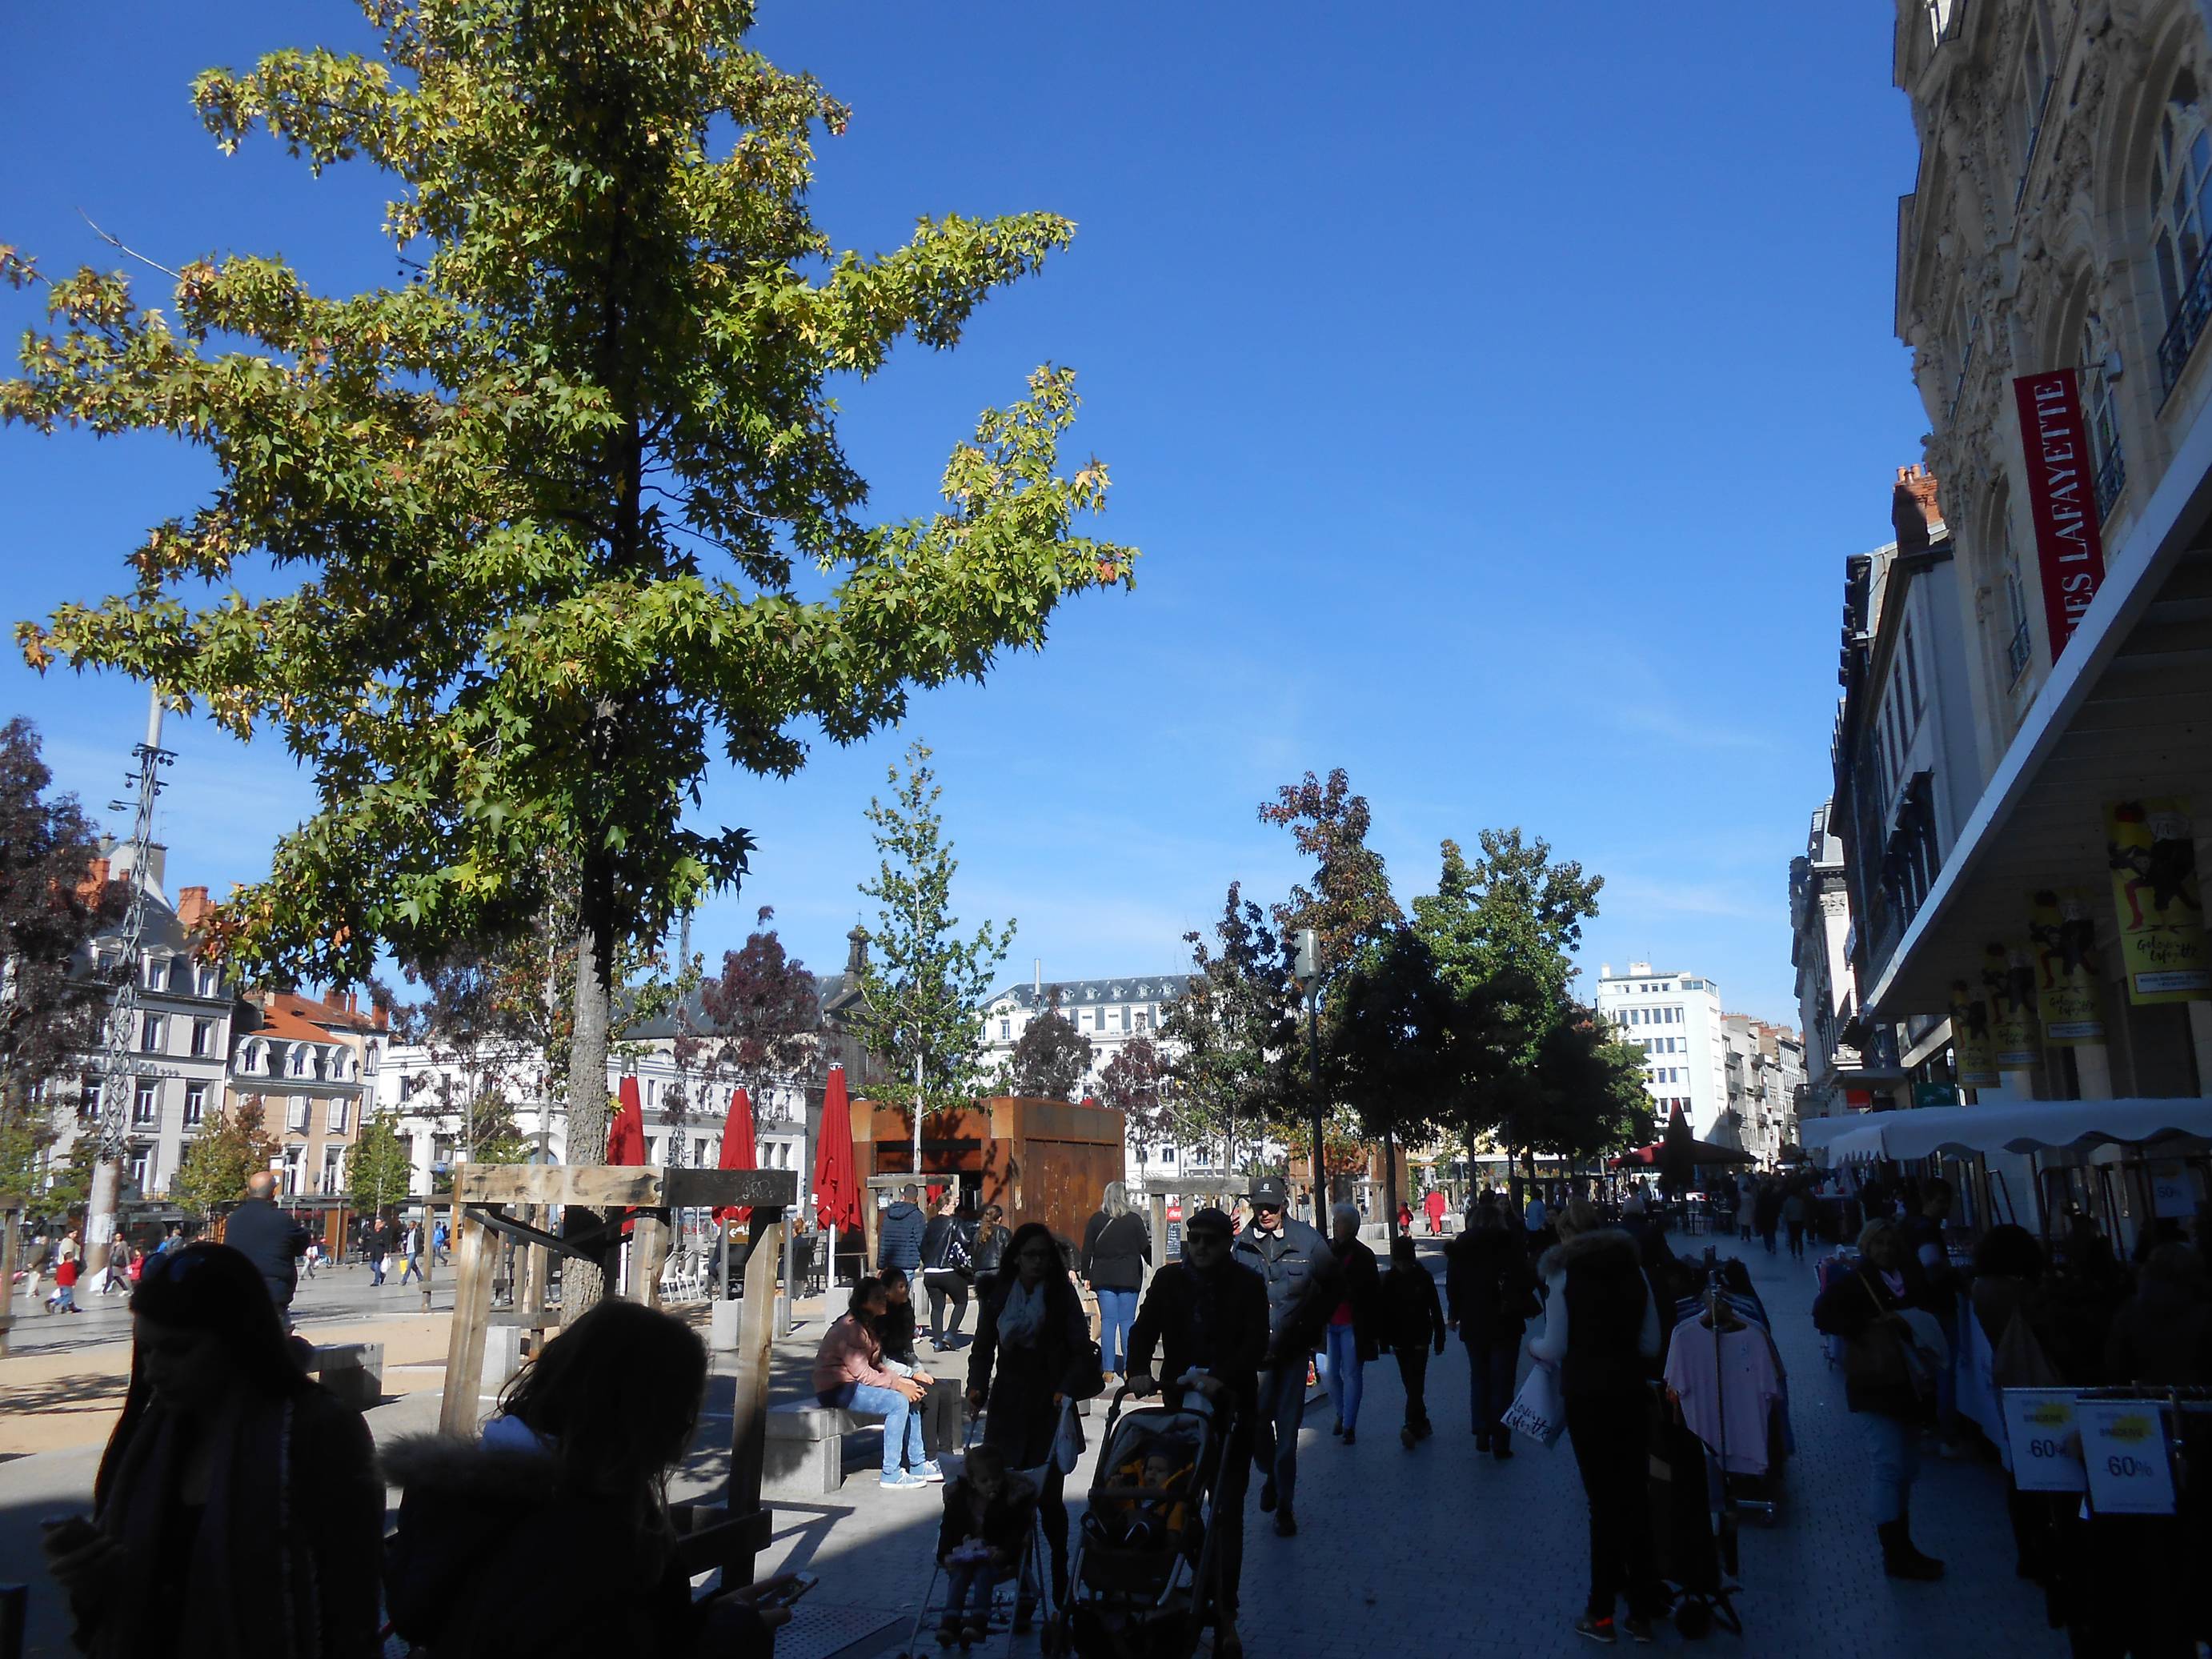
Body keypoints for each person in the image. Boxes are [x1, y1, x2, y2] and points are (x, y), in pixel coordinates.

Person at [386, 1297, 794, 1657]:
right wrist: (731, 1636)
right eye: (683, 1411)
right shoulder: (592, 1528)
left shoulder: (446, 1492)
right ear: (649, 1418)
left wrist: (708, 1618)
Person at [42, 1242, 383, 1657]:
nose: (153, 1370)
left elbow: (349, 1600)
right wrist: (92, 1581)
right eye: (146, 1350)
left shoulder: (320, 1431)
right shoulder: (150, 1436)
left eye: (178, 1349)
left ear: (239, 1341)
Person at [1126, 1204, 1268, 1659]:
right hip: (1181, 1409)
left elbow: (1256, 1341)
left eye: (1210, 1239)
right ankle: (1194, 1584)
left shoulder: (1246, 1282)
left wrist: (1222, 1375)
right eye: (1195, 1239)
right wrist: (1136, 1372)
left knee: (1227, 1512)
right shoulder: (1169, 1281)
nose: (1201, 1247)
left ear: (1227, 1243)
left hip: (1231, 1409)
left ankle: (1226, 1615)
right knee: (1176, 1502)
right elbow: (1143, 1329)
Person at [1526, 1196, 1668, 1643]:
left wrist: (1534, 1346)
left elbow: (1555, 1346)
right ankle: (1644, 1610)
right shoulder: (1634, 1270)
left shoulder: (1563, 1275)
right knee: (1636, 1498)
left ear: (1568, 1235)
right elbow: (1651, 1343)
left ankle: (1601, 1611)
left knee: (1602, 1503)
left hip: (1588, 1396)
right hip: (1629, 1392)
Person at [967, 1220, 1097, 1619]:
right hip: (1007, 1407)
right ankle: (1025, 1589)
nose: (1037, 1262)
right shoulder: (999, 1294)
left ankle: (1060, 1585)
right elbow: (984, 1345)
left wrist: (1067, 1387)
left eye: (1043, 1255)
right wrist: (976, 1387)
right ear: (1016, 1258)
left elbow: (1080, 1349)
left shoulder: (1061, 1296)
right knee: (1007, 1503)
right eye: (1030, 1255)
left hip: (1048, 1406)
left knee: (1049, 1503)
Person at [1812, 1218, 1946, 1580]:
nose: (1885, 1250)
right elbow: (1821, 1313)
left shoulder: (1911, 1280)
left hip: (1912, 1383)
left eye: (1890, 1243)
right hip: (1876, 1383)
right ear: (1867, 1246)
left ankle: (1905, 1543)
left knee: (1906, 1468)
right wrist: (1865, 1327)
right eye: (1878, 1244)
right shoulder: (1857, 1282)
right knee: (1888, 1465)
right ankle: (1894, 1551)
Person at [1230, 1174, 1337, 1537]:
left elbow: (1335, 1286)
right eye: (1259, 1207)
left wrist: (1312, 1327)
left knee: (1288, 1436)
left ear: (1284, 1206)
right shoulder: (1241, 1245)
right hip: (1256, 1358)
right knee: (1258, 1428)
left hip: (1292, 1355)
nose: (1265, 1213)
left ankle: (1285, 1509)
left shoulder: (1308, 1242)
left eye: (1271, 1207)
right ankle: (1271, 1475)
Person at [815, 1276, 939, 1488]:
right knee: (898, 1402)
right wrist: (898, 1386)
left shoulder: (869, 1324)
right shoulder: (851, 1328)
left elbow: (877, 1365)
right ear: (864, 1302)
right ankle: (890, 1472)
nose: (884, 1301)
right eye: (878, 1298)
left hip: (853, 1383)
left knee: (912, 1394)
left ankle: (918, 1464)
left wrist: (903, 1381)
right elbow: (863, 1373)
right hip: (837, 1388)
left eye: (884, 1296)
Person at [1446, 1200, 1537, 1457]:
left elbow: (1453, 1287)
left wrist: (1455, 1314)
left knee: (1479, 1375)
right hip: (1505, 1320)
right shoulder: (1509, 1243)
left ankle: (1482, 1429)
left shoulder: (1461, 1246)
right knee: (1503, 1380)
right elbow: (1525, 1279)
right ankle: (1501, 1438)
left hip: (1474, 1320)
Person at [934, 1443, 1035, 1648]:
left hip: (994, 1555)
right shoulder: (961, 1501)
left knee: (983, 1574)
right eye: (984, 1481)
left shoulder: (1010, 1502)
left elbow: (1017, 1532)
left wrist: (1005, 1551)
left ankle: (979, 1621)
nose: (991, 1484)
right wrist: (944, 1554)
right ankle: (950, 1620)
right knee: (959, 1576)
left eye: (996, 1479)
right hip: (965, 1553)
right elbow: (949, 1528)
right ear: (972, 1483)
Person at [2104, 1242, 2212, 1385]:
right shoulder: (2205, 1314)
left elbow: (2115, 1367)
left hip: (2145, 1400)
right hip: (2198, 1401)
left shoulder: (2128, 1313)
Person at [1320, 1203, 1381, 1445]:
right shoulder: (1324, 1250)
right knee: (1327, 1372)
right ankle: (1342, 1411)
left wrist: (1376, 1331)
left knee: (1352, 1374)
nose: (1335, 1225)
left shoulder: (1364, 1256)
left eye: (1340, 1222)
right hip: (1327, 1323)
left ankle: (1349, 1425)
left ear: (1352, 1227)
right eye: (1335, 1221)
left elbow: (1374, 1294)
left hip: (1354, 1324)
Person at [1079, 1181, 1152, 1385]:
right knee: (1128, 1322)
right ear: (1124, 1197)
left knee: (1108, 1322)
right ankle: (1129, 1369)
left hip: (1103, 1276)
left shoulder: (1096, 1220)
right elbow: (1145, 1249)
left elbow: (1087, 1250)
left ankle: (1108, 1370)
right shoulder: (1134, 1221)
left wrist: (1086, 1275)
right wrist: (1159, 1265)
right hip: (1129, 1276)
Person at [1379, 1235, 1445, 1448]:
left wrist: (1439, 1337)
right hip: (1399, 1338)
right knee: (1410, 1383)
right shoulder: (1389, 1280)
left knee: (1416, 1382)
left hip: (1420, 1336)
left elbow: (1435, 1308)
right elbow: (1383, 1312)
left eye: (1405, 1262)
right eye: (1399, 1262)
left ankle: (1409, 1424)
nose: (1402, 1266)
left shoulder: (1423, 1277)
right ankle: (1422, 1421)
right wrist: (1383, 1339)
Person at [223, 1171, 313, 1317]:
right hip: (272, 1294)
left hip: (237, 1292)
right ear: (274, 1192)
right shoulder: (282, 1220)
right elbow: (302, 1243)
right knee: (275, 1336)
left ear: (248, 1191)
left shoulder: (233, 1220)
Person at [921, 1192, 975, 1350]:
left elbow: (923, 1247)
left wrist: (928, 1263)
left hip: (930, 1271)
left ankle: (937, 1341)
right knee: (961, 1301)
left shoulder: (930, 1224)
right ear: (945, 1206)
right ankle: (950, 1334)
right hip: (949, 1270)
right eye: (953, 1204)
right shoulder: (955, 1222)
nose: (955, 1208)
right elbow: (966, 1240)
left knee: (937, 1307)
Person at [880, 1184, 928, 1278]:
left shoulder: (888, 1214)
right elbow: (921, 1241)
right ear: (916, 1199)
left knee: (890, 1292)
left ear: (903, 1196)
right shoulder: (917, 1216)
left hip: (890, 1264)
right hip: (908, 1263)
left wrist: (881, 1265)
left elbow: (883, 1241)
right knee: (903, 1292)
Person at [969, 1204, 1008, 1305]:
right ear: (999, 1218)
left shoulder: (978, 1234)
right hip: (997, 1270)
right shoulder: (1003, 1232)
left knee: (983, 1307)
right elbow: (1010, 1252)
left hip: (980, 1271)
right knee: (999, 1304)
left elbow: (973, 1253)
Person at [1782, 1187, 1810, 1260]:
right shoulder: (1800, 1201)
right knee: (1799, 1238)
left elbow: (1785, 1212)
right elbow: (1804, 1212)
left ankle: (1793, 1252)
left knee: (1792, 1238)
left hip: (1791, 1221)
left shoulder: (1787, 1201)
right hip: (1799, 1221)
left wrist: (1784, 1221)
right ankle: (1800, 1253)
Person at [398, 1222, 426, 1288]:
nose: (410, 1226)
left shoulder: (417, 1233)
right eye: (409, 1225)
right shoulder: (408, 1232)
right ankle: (421, 1277)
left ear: (414, 1226)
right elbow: (404, 1240)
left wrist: (420, 1248)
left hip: (413, 1251)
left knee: (409, 1266)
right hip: (408, 1251)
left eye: (411, 1225)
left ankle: (404, 1281)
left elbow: (422, 1240)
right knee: (413, 1266)